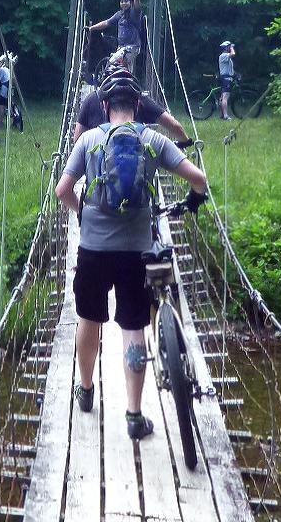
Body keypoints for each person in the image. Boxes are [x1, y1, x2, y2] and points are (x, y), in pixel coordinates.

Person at [55, 67, 208, 441]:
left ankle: (86, 390)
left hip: (93, 249)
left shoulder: (89, 139)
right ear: (138, 106)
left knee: (89, 320)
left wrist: (83, 212)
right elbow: (199, 180)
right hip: (137, 251)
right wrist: (193, 200)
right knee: (133, 327)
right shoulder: (153, 140)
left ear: (105, 105)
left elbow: (62, 190)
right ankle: (135, 415)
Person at [72, 49, 187, 143]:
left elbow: (77, 139)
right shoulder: (140, 99)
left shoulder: (92, 100)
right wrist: (185, 142)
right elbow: (174, 126)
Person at [88, 0, 144, 74]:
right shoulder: (119, 15)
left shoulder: (135, 13)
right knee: (125, 69)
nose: (124, 3)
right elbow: (106, 23)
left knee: (111, 62)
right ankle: (124, 81)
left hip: (132, 47)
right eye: (122, 2)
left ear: (131, 2)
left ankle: (105, 76)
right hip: (121, 47)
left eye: (126, 1)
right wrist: (91, 28)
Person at [218, 39, 237, 121]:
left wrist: (235, 74)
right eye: (229, 47)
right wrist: (232, 47)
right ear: (226, 48)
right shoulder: (224, 55)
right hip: (226, 79)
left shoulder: (225, 56)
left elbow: (229, 68)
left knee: (222, 97)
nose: (230, 48)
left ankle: (222, 114)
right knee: (225, 97)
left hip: (226, 78)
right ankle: (225, 116)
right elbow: (233, 54)